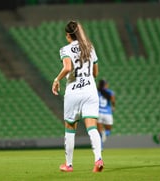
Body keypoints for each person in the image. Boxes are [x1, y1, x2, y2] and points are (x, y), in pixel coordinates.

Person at [52, 20, 104, 172]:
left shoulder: (65, 50)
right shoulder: (90, 48)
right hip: (90, 91)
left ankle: (68, 165)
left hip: (73, 92)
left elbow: (67, 67)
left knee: (70, 127)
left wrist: (56, 79)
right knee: (92, 127)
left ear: (68, 35)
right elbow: (95, 73)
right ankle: (98, 159)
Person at [97, 79, 115, 147]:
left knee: (99, 132)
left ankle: (100, 147)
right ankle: (105, 133)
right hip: (107, 113)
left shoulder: (97, 92)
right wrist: (113, 106)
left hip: (99, 113)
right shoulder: (110, 92)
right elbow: (113, 100)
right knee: (108, 130)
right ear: (106, 85)